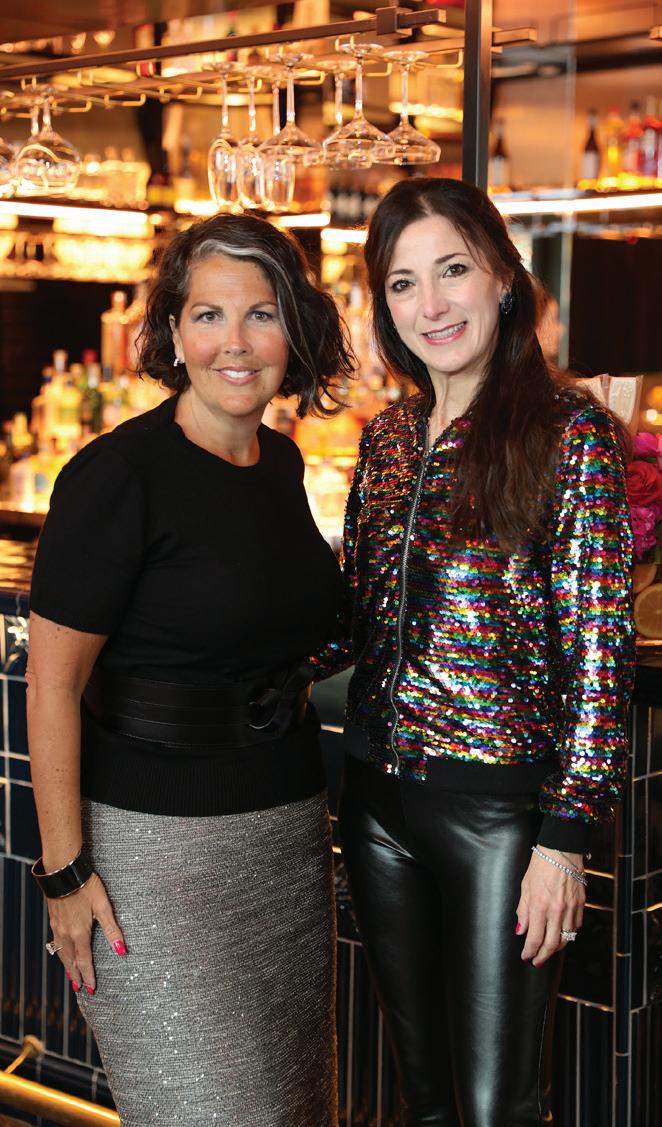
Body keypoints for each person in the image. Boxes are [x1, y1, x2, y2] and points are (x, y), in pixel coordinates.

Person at [27, 213, 354, 1126]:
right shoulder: (116, 476)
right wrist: (64, 875)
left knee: (294, 1109)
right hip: (153, 861)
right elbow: (51, 686)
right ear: (174, 332)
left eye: (261, 314)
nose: (235, 343)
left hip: (286, 839)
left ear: (294, 331)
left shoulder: (280, 462)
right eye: (209, 315)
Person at [323, 178, 634, 1127]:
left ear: (503, 276)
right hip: (375, 801)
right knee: (420, 1097)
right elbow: (354, 620)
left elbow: (600, 648)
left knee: (499, 1105)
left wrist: (566, 838)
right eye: (403, 282)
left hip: (500, 815)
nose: (431, 304)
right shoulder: (386, 441)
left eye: (452, 269)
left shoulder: (569, 434)